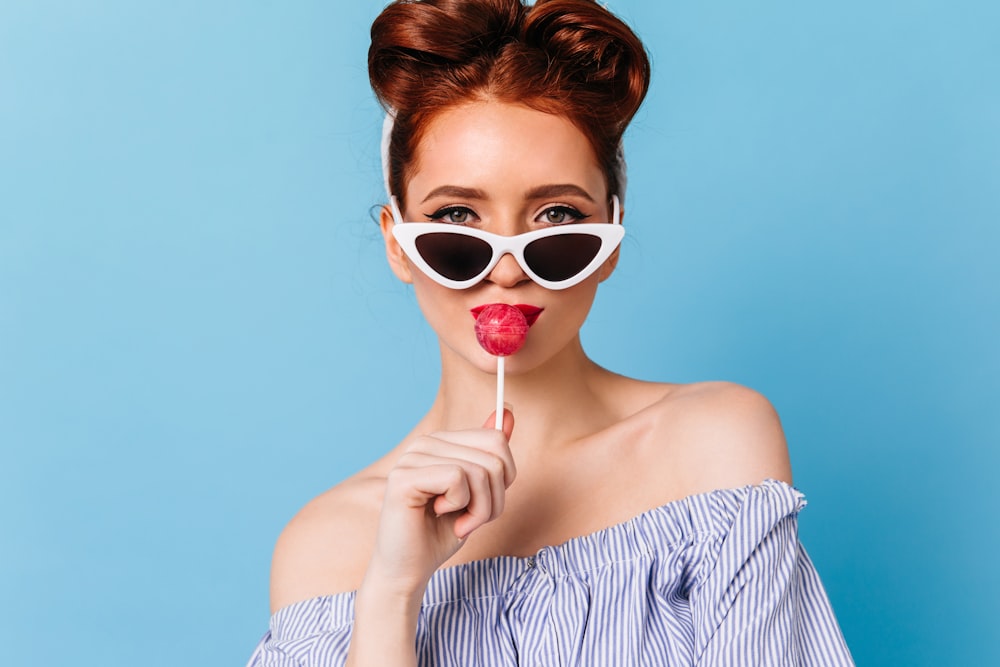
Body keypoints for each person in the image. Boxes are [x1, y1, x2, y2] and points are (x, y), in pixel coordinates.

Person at [246, 0, 853, 664]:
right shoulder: (326, 544)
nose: (506, 269)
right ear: (398, 245)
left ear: (611, 238)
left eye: (557, 215)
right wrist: (392, 592)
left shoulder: (709, 442)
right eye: (457, 217)